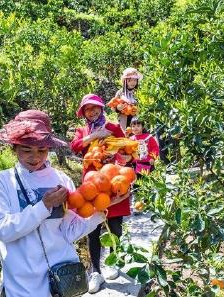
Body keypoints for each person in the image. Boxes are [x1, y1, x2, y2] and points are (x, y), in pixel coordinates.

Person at [0, 110, 107, 297]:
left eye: (42, 150)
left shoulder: (61, 179)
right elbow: (3, 230)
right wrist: (44, 206)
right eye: (27, 150)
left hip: (60, 283)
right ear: (14, 148)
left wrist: (100, 212)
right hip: (21, 287)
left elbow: (69, 232)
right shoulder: (3, 182)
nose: (35, 157)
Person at [70, 94, 131, 293]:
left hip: (113, 181)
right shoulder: (82, 131)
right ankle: (95, 271)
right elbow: (75, 147)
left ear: (101, 108)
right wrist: (94, 136)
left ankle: (115, 261)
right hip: (91, 187)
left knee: (115, 226)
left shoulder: (113, 126)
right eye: (87, 109)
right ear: (84, 113)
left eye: (94, 107)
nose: (92, 111)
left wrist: (121, 154)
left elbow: (126, 148)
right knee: (92, 229)